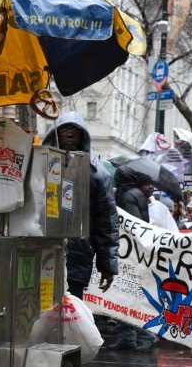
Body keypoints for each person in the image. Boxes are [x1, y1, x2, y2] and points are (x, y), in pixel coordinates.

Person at [41, 112, 118, 300]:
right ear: (56, 134)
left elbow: (106, 223)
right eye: (64, 129)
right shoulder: (40, 166)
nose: (69, 133)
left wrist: (107, 266)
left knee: (71, 309)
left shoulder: (97, 175)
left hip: (77, 258)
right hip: (41, 252)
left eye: (74, 129)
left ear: (82, 135)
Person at [108, 166, 158, 351]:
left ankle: (138, 336)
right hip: (134, 251)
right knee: (129, 294)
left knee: (126, 294)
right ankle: (132, 336)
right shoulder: (135, 194)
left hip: (129, 252)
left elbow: (132, 225)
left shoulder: (128, 196)